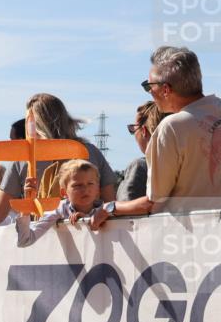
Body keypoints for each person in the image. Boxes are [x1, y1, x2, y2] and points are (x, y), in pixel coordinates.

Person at [92, 46, 221, 229]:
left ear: (166, 89)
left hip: (191, 240)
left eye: (148, 86)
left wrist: (110, 208)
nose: (149, 92)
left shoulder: (172, 127)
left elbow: (154, 203)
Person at [0, 93, 116, 240]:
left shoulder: (22, 159)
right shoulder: (91, 152)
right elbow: (110, 203)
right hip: (91, 238)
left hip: (42, 242)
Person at [16, 160, 103, 247]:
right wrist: (27, 203)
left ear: (98, 189)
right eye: (78, 185)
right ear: (64, 192)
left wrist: (86, 220)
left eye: (90, 184)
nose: (85, 189)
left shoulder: (107, 210)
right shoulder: (59, 209)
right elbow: (25, 241)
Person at [117, 101, 171, 201]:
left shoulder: (140, 167)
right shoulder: (185, 164)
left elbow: (127, 205)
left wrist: (110, 208)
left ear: (143, 131)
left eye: (133, 129)